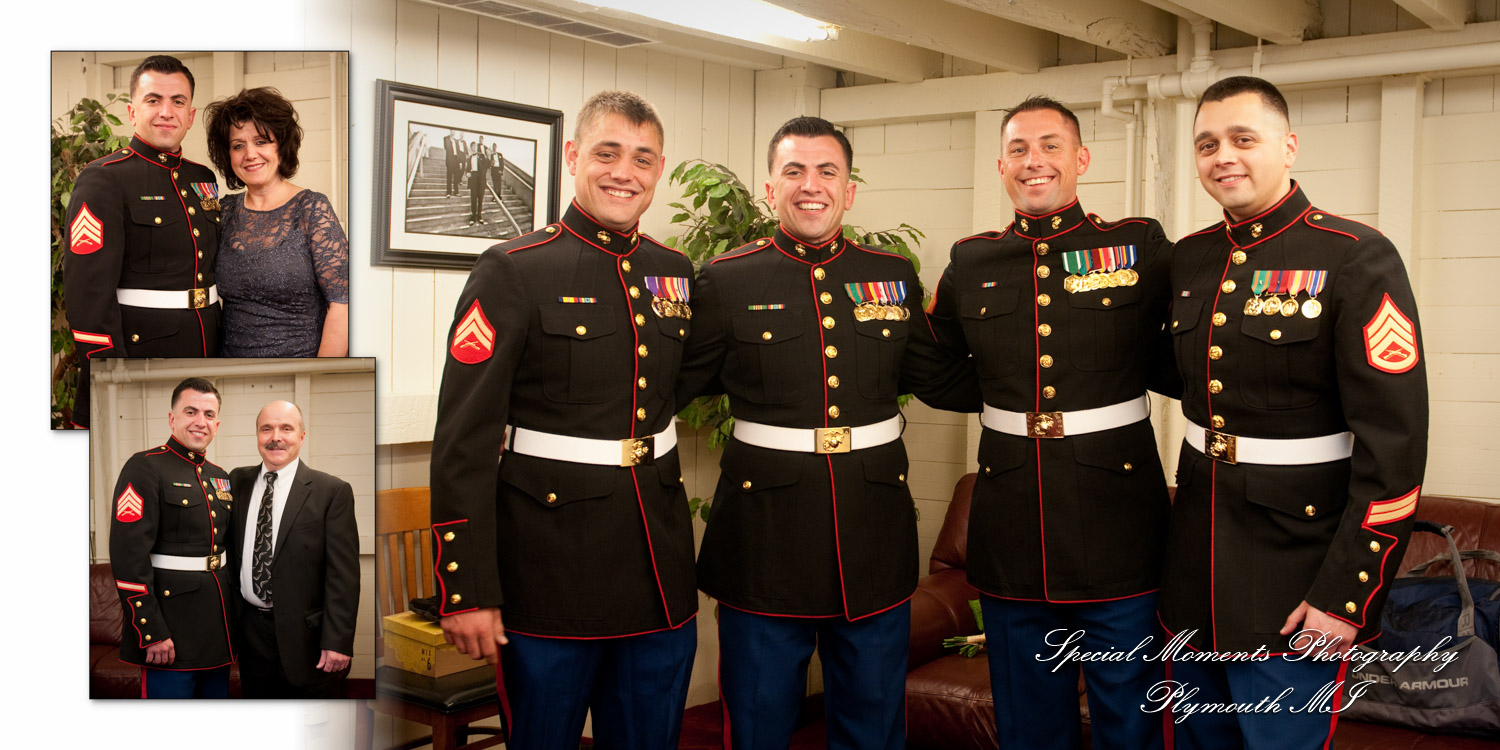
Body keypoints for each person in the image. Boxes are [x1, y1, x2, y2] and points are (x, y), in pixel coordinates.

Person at [674, 116, 979, 749]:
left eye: (826, 172)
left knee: (873, 726)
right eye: (794, 171)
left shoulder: (890, 273)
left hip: (871, 536)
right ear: (769, 189)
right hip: (764, 540)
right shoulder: (727, 280)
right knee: (757, 724)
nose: (810, 186)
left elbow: (939, 379)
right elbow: (670, 388)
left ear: (849, 189)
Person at [1159, 75, 1428, 749]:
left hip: (1294, 581)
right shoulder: (1192, 259)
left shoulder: (1355, 256)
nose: (1224, 156)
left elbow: (1393, 451)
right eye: (1207, 144)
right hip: (1194, 574)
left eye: (1243, 139)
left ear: (1288, 146)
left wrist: (1347, 597)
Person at [431, 90, 697, 748]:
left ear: (659, 168)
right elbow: (462, 442)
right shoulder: (513, 270)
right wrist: (466, 589)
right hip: (549, 574)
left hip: (656, 570)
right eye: (606, 153)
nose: (623, 172)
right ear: (574, 157)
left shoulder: (673, 272)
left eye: (641, 158)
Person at [923, 96, 1177, 750]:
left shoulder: (1135, 245)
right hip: (1013, 532)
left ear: (1081, 159)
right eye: (1018, 150)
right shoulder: (972, 261)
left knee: (1130, 723)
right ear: (1001, 166)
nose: (1033, 161)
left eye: (1050, 146)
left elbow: (1186, 347)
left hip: (1119, 526)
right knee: (1029, 725)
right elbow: (943, 369)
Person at [63, 55, 222, 429]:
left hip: (207, 348)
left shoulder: (203, 178)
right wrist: (111, 372)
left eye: (178, 101)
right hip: (139, 354)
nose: (167, 111)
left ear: (191, 114)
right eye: (154, 100)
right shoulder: (102, 178)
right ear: (133, 112)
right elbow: (88, 296)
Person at [108, 377, 234, 698]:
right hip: (169, 631)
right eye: (190, 411)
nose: (200, 422)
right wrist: (149, 630)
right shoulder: (145, 467)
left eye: (208, 414)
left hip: (217, 632)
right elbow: (128, 555)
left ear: (217, 424)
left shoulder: (220, 477)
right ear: (172, 418)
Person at [204, 87, 350, 357]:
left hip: (300, 362)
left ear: (281, 146)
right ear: (229, 156)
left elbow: (342, 305)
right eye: (238, 145)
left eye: (261, 141)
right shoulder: (223, 211)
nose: (250, 154)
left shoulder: (311, 208)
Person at [228, 400, 360, 698]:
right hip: (250, 633)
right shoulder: (237, 482)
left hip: (307, 639)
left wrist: (338, 641)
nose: (276, 436)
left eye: (286, 428)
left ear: (302, 436)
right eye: (267, 429)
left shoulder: (331, 492)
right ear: (258, 436)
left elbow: (344, 576)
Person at [466, 136, 490, 225]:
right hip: (473, 178)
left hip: (481, 179)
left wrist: (488, 155)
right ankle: (473, 217)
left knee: (480, 198)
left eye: (475, 147)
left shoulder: (482, 155)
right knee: (473, 199)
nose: (474, 148)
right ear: (471, 148)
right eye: (473, 147)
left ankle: (479, 216)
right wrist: (467, 173)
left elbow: (488, 165)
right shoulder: (469, 158)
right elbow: (467, 169)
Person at [444, 129, 465, 197]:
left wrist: (460, 162)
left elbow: (458, 152)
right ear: (450, 131)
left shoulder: (456, 141)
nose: (453, 132)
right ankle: (448, 192)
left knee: (456, 177)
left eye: (454, 131)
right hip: (450, 160)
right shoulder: (446, 138)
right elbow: (446, 147)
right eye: (452, 131)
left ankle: (456, 192)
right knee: (449, 177)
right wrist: (451, 139)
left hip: (456, 160)